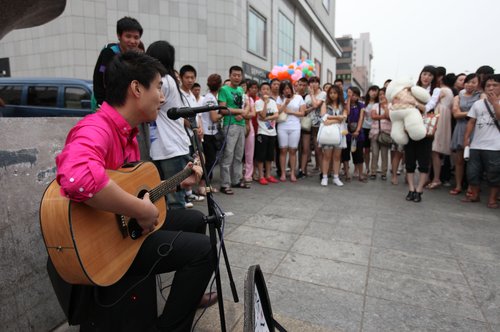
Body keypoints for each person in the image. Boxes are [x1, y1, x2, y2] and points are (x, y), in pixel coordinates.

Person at [55, 51, 216, 331]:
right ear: (136, 88)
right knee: (205, 250)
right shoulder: (96, 128)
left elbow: (133, 188)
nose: (163, 97)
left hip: (124, 230)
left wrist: (179, 181)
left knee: (195, 220)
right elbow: (76, 177)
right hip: (105, 244)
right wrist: (139, 209)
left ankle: (185, 296)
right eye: (157, 88)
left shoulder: (128, 132)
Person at [146, 41, 192, 210]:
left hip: (170, 147)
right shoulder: (167, 80)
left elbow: (146, 104)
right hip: (164, 146)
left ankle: (177, 233)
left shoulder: (163, 82)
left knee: (174, 199)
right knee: (161, 197)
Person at [462, 74, 500, 209]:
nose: (491, 88)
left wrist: (495, 103)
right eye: (488, 86)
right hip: (476, 144)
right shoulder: (478, 104)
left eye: (495, 85)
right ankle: (474, 195)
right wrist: (466, 138)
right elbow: (471, 121)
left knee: (494, 174)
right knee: (472, 172)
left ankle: (492, 199)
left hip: (495, 146)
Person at [404, 65, 438, 203]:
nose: (426, 77)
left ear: (434, 78)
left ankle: (419, 190)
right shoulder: (412, 89)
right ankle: (411, 189)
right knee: (410, 160)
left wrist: (413, 103)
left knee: (424, 161)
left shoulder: (436, 90)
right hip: (410, 128)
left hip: (426, 130)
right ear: (420, 75)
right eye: (424, 74)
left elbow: (428, 108)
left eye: (430, 75)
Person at [92, 17, 143, 108]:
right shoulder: (109, 52)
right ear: (119, 36)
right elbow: (99, 77)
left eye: (136, 37)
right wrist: (101, 103)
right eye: (128, 36)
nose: (132, 41)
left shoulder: (135, 56)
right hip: (107, 104)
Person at [218, 66, 248, 194]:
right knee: (228, 155)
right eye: (234, 75)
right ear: (230, 75)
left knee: (239, 155)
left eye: (239, 75)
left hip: (241, 124)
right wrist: (239, 111)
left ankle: (236, 180)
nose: (237, 77)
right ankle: (225, 184)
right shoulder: (224, 89)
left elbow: (244, 106)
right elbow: (222, 110)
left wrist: (243, 113)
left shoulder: (241, 90)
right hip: (230, 125)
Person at [449, 73, 480, 195]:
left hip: (475, 130)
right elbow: (455, 114)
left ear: (478, 84)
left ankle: (470, 187)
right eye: (467, 82)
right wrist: (473, 112)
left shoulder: (481, 96)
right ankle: (458, 185)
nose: (470, 84)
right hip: (460, 128)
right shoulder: (458, 96)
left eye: (473, 82)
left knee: (473, 161)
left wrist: (464, 113)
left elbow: (480, 113)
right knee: (459, 160)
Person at [178, 65, 205, 206]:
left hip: (195, 135)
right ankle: (186, 195)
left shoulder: (192, 96)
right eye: (187, 77)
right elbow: (182, 118)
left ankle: (190, 193)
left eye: (192, 77)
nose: (190, 80)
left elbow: (198, 115)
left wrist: (200, 129)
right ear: (181, 78)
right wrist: (194, 127)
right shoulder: (179, 95)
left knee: (196, 161)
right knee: (187, 164)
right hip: (185, 136)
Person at [427, 73, 455, 189]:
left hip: (439, 117)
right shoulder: (451, 92)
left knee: (434, 151)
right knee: (435, 151)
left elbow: (432, 101)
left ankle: (436, 178)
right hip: (445, 117)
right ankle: (433, 178)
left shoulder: (442, 90)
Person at [276, 81, 306, 182]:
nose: (286, 90)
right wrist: (285, 103)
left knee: (293, 150)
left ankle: (293, 173)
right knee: (283, 150)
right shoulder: (279, 98)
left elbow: (302, 113)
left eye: (288, 88)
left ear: (292, 88)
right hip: (282, 126)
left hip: (295, 126)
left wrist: (291, 112)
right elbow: (278, 112)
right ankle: (283, 173)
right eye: (284, 89)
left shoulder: (299, 98)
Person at [199, 74, 223, 195]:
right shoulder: (210, 98)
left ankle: (207, 185)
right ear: (220, 85)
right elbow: (214, 117)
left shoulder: (210, 97)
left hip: (210, 133)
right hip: (208, 133)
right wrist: (222, 113)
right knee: (210, 161)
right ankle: (203, 185)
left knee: (210, 160)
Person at [319, 85, 347, 187]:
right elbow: (323, 118)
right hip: (328, 133)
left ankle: (336, 177)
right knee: (326, 156)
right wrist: (338, 118)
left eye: (335, 93)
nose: (333, 95)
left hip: (340, 133)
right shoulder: (325, 104)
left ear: (338, 94)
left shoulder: (343, 105)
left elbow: (344, 117)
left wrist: (331, 119)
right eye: (331, 93)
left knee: (337, 157)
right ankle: (325, 177)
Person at [254, 82, 280, 185]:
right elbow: (262, 114)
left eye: (267, 89)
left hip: (272, 132)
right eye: (263, 89)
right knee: (261, 156)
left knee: (270, 156)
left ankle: (268, 175)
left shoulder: (273, 102)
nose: (265, 91)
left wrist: (266, 118)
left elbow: (276, 115)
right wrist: (265, 103)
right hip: (262, 132)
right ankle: (261, 176)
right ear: (260, 91)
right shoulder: (258, 103)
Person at [342, 87, 366, 182]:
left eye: (354, 95)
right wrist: (348, 99)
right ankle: (347, 174)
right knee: (345, 154)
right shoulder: (344, 104)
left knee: (358, 155)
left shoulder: (361, 105)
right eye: (350, 94)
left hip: (358, 133)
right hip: (346, 132)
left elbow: (361, 118)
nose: (352, 97)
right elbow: (347, 113)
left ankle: (361, 174)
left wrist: (358, 130)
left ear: (358, 96)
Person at [304, 76, 327, 178]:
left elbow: (316, 105)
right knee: (310, 149)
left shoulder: (323, 94)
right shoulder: (306, 96)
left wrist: (312, 95)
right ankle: (304, 170)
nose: (313, 84)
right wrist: (312, 106)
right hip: (310, 124)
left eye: (316, 82)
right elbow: (305, 110)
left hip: (320, 124)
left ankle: (323, 171)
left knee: (319, 149)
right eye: (311, 82)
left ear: (319, 83)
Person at [369, 87, 391, 181]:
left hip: (386, 133)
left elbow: (389, 117)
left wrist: (385, 107)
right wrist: (384, 116)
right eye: (380, 94)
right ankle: (373, 172)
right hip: (375, 132)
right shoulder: (375, 106)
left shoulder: (391, 106)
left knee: (384, 154)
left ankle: (384, 173)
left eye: (383, 94)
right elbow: (373, 116)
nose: (382, 96)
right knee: (374, 154)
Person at [363, 85, 379, 178]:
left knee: (375, 150)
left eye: (376, 91)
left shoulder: (378, 104)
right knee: (366, 150)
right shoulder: (363, 103)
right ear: (368, 91)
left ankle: (374, 168)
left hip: (375, 128)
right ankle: (367, 167)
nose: (374, 92)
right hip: (365, 128)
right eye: (372, 90)